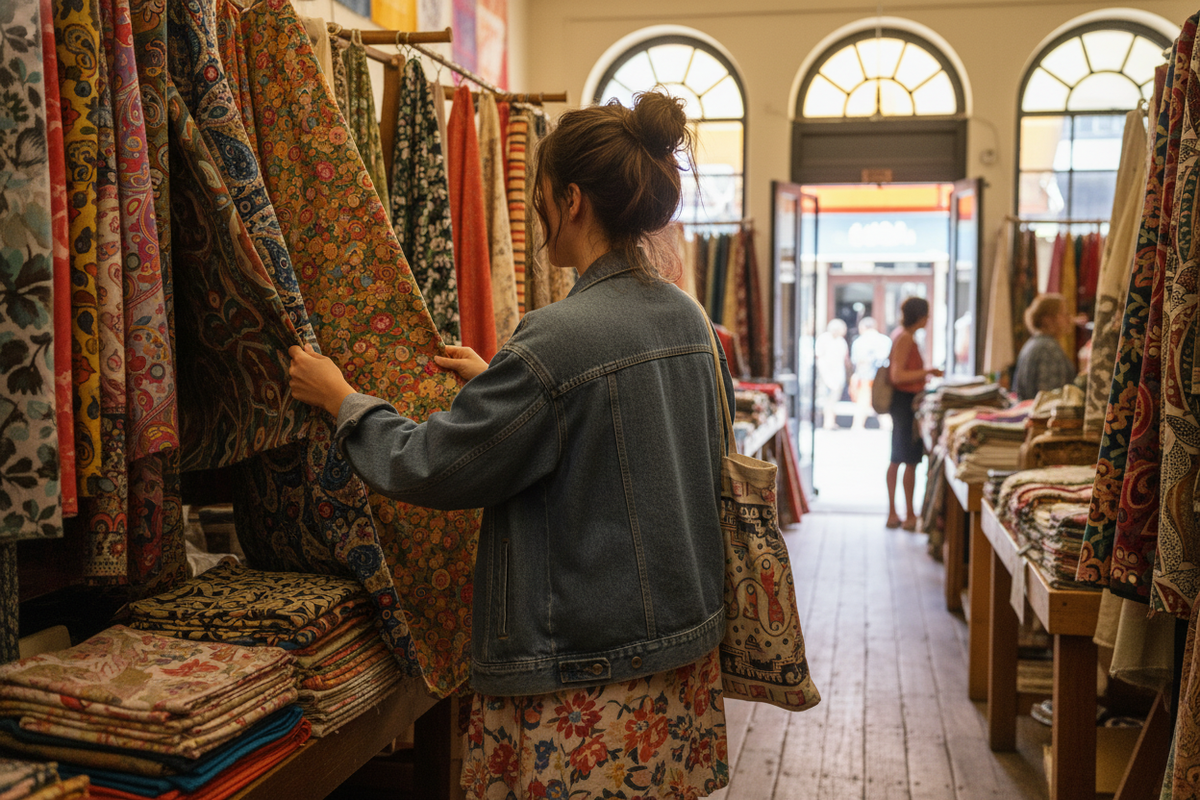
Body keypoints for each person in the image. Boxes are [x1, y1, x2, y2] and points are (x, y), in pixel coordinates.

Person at [288, 91, 733, 799]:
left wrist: (342, 399)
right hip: (681, 655)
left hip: (583, 672)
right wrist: (505, 378)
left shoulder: (556, 336)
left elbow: (428, 465)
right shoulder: (689, 320)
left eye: (540, 196)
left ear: (571, 200)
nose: (534, 210)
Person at [887, 296, 942, 531]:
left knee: (900, 457)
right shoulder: (905, 338)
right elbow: (897, 375)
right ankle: (905, 514)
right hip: (905, 403)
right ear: (920, 316)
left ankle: (898, 512)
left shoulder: (901, 335)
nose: (928, 319)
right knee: (906, 459)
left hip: (905, 403)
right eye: (926, 314)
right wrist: (927, 372)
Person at [1012, 293, 1078, 401]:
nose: (1068, 318)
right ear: (1048, 319)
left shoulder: (1033, 343)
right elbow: (1050, 397)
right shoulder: (1048, 348)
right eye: (1064, 314)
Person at [849, 316, 892, 430]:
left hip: (865, 376)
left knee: (863, 401)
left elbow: (857, 361)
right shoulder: (885, 340)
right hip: (882, 376)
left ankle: (858, 425)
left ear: (863, 327)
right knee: (881, 400)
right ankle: (887, 425)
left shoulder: (860, 341)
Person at [815, 318, 849, 430]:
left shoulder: (841, 341)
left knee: (833, 399)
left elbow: (844, 360)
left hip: (838, 374)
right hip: (826, 373)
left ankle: (830, 421)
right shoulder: (824, 339)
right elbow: (820, 359)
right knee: (826, 399)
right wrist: (825, 375)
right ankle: (827, 422)